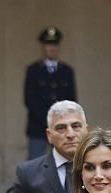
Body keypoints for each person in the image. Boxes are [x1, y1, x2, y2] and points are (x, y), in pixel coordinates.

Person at [24, 26, 77, 160]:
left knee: (63, 164)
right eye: (48, 45)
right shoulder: (33, 70)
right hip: (38, 128)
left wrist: (60, 121)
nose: (51, 48)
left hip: (62, 128)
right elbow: (29, 99)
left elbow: (71, 100)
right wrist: (48, 120)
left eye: (54, 44)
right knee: (36, 166)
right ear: (43, 47)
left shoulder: (67, 71)